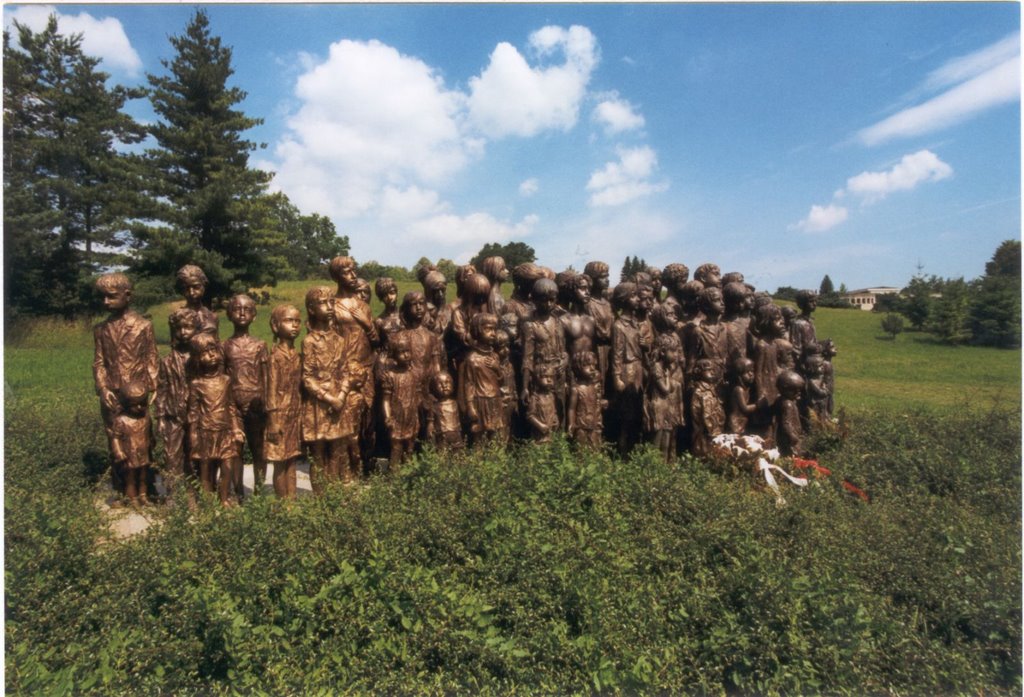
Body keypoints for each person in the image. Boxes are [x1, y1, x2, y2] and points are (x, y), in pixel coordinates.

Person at [93, 272, 159, 500]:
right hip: (112, 394)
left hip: (137, 395)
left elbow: (151, 358)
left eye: (111, 296)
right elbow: (99, 362)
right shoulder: (100, 330)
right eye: (102, 297)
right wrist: (103, 389)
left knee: (143, 441)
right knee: (116, 442)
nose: (105, 302)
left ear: (127, 296)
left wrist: (154, 386)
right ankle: (121, 490)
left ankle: (146, 488)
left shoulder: (143, 326)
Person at [187, 333, 244, 506]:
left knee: (227, 466)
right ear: (197, 359)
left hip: (225, 431)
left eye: (213, 350)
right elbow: (193, 412)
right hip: (206, 432)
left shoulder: (226, 380)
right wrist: (193, 435)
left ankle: (224, 498)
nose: (211, 355)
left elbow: (231, 407)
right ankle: (207, 500)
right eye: (205, 353)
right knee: (206, 469)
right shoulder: (196, 384)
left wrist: (236, 429)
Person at [301, 286, 348, 493]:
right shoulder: (309, 341)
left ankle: (334, 495)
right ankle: (321, 498)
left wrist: (342, 395)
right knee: (318, 454)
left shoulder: (339, 339)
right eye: (323, 303)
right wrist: (329, 398)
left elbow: (346, 371)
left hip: (338, 402)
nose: (329, 307)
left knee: (338, 451)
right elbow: (307, 378)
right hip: (320, 405)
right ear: (311, 309)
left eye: (331, 302)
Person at [223, 294, 269, 498]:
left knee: (259, 449)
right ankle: (238, 491)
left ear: (254, 316)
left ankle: (259, 491)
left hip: (257, 404)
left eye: (247, 309)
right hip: (232, 404)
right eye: (237, 309)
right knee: (235, 449)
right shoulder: (224, 346)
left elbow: (266, 377)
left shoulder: (260, 345)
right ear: (228, 315)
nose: (242, 313)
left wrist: (268, 402)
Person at [156, 308, 199, 497]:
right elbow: (161, 390)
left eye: (188, 327)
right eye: (179, 328)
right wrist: (160, 417)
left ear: (196, 329)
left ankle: (194, 493)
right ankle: (173, 495)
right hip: (173, 415)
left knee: (194, 455)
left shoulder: (201, 359)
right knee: (172, 456)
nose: (183, 332)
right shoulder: (166, 361)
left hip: (197, 416)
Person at [265, 304, 303, 499]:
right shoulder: (275, 358)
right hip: (278, 416)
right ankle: (282, 502)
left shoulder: (297, 356)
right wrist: (272, 421)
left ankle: (292, 497)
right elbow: (270, 391)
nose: (294, 326)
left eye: (297, 321)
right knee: (279, 461)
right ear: (275, 326)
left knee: (292, 458)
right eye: (289, 321)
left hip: (294, 415)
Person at [458, 313, 506, 446]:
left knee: (496, 435)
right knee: (479, 436)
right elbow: (469, 384)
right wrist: (470, 407)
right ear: (478, 331)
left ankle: (495, 461)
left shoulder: (495, 356)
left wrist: (497, 369)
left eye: (494, 330)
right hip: (480, 401)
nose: (493, 334)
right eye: (488, 329)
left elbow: (501, 381)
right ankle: (478, 463)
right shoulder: (472, 359)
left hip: (494, 400)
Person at [380, 331, 421, 470]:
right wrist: (388, 417)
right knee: (396, 448)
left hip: (411, 417)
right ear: (394, 356)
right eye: (401, 352)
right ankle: (394, 477)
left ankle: (408, 474)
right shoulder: (390, 376)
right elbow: (385, 400)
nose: (406, 355)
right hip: (397, 418)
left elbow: (417, 395)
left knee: (410, 447)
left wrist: (417, 413)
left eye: (407, 351)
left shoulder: (414, 374)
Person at [110, 380, 154, 508]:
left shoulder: (145, 417)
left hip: (144, 452)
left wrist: (152, 442)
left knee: (143, 477)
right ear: (125, 404)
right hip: (129, 454)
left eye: (142, 404)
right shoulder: (121, 420)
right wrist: (118, 451)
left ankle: (143, 496)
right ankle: (132, 498)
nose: (139, 408)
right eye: (135, 405)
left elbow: (149, 432)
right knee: (130, 479)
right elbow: (115, 438)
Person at [645, 333, 685, 462]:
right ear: (662, 352)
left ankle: (664, 468)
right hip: (658, 406)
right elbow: (665, 390)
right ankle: (653, 469)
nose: (676, 355)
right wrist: (668, 378)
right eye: (672, 352)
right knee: (657, 441)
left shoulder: (666, 367)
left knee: (666, 441)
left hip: (666, 406)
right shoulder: (656, 368)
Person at [567, 351, 605, 450]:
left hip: (594, 425)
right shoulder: (576, 389)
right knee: (581, 450)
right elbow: (572, 408)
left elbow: (597, 403)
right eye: (587, 365)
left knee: (595, 448)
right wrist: (571, 423)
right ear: (579, 367)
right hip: (581, 426)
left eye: (593, 365)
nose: (592, 368)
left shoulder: (596, 387)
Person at [690, 358, 725, 459]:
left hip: (715, 428)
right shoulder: (699, 392)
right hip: (706, 431)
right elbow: (701, 414)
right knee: (703, 452)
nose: (712, 372)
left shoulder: (712, 389)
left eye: (713, 370)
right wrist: (711, 429)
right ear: (699, 372)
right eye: (709, 370)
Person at [175, 264, 219, 338]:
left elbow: (216, 343)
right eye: (186, 288)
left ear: (204, 286)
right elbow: (175, 346)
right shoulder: (177, 317)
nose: (191, 292)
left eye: (196, 287)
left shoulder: (213, 317)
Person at [428, 372, 463, 451]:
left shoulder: (456, 403)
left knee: (458, 451)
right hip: (441, 434)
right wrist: (430, 430)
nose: (444, 386)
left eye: (447, 382)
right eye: (440, 384)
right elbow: (431, 421)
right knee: (442, 451)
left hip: (456, 432)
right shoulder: (434, 406)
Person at [726, 357, 762, 435]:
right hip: (736, 422)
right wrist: (757, 405)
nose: (751, 374)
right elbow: (744, 408)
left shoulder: (746, 389)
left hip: (742, 421)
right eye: (747, 372)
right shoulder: (738, 390)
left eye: (752, 371)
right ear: (739, 375)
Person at [774, 370, 806, 456]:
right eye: (795, 390)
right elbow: (786, 423)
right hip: (789, 437)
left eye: (799, 390)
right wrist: (792, 436)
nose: (798, 393)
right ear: (785, 389)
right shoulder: (787, 404)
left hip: (790, 433)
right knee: (791, 453)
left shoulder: (783, 400)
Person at [525, 365, 559, 443]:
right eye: (545, 377)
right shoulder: (535, 397)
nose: (549, 380)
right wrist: (540, 425)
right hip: (539, 434)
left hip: (550, 433)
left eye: (551, 377)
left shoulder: (551, 396)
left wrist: (555, 419)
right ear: (537, 378)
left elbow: (554, 411)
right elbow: (530, 416)